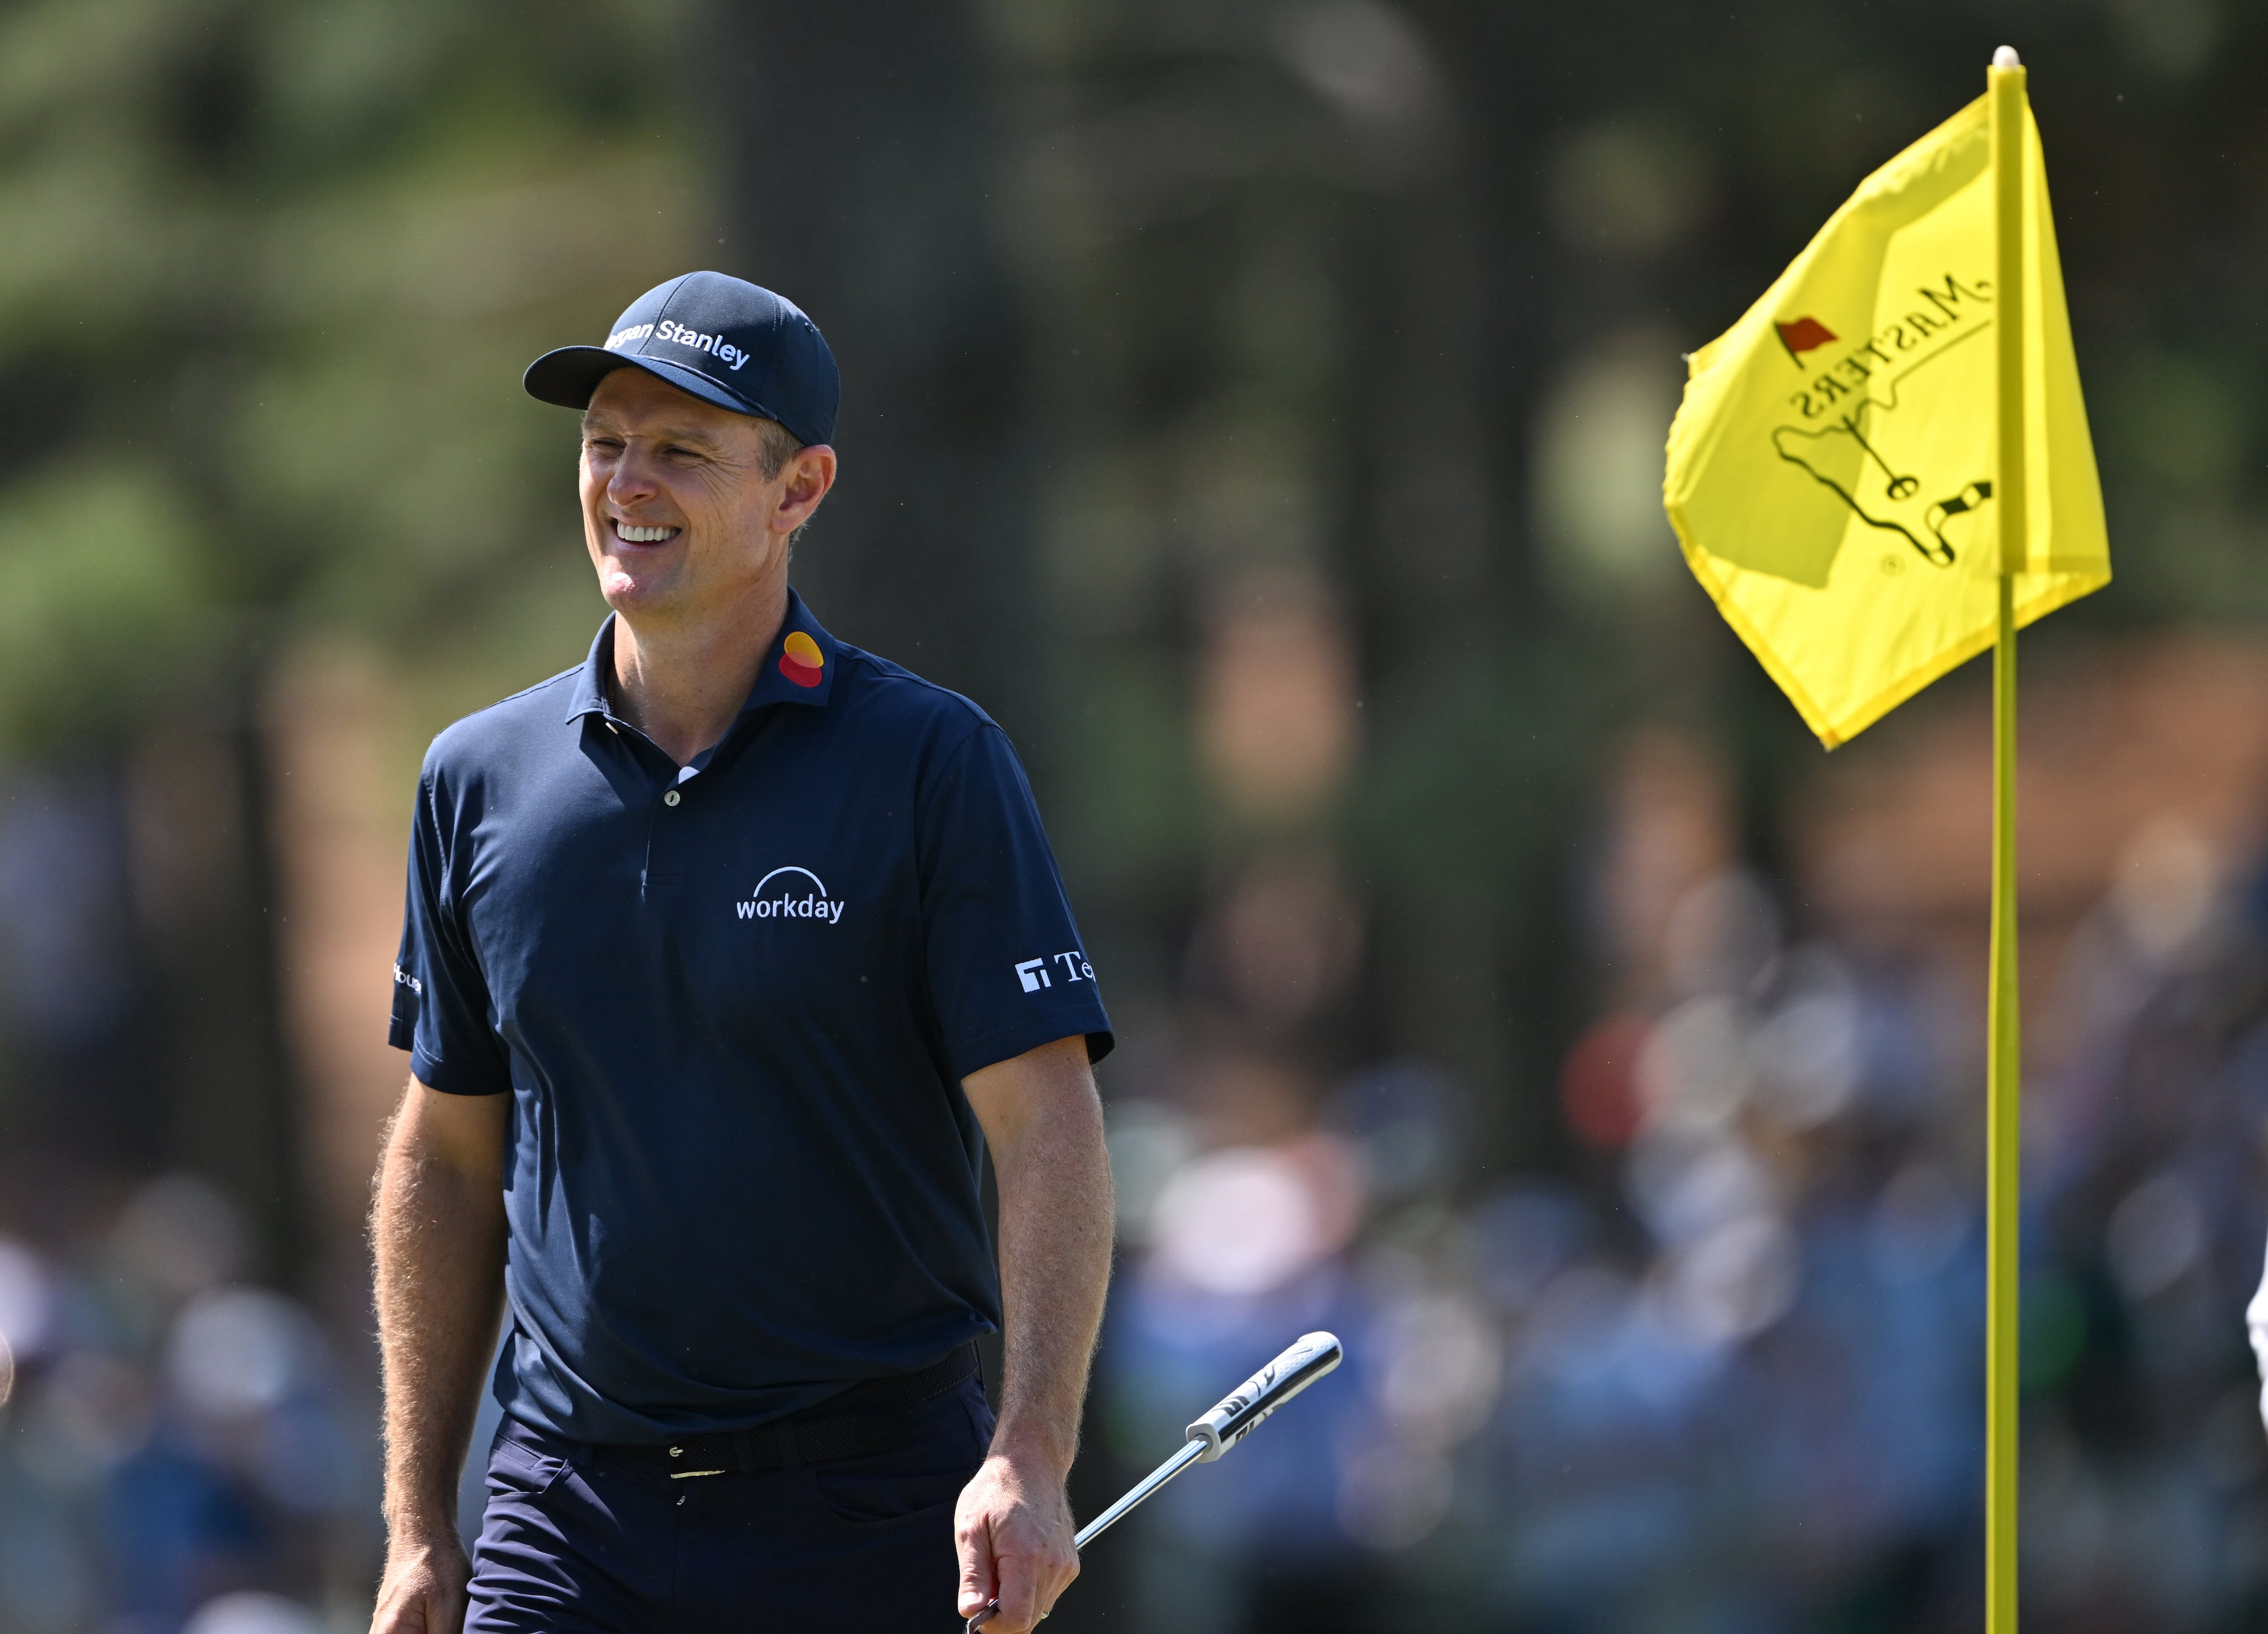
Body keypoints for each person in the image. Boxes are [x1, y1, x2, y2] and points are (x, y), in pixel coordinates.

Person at [367, 271, 1115, 1634]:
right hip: (565, 1510)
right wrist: (420, 1524)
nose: (627, 482)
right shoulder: (476, 778)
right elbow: (445, 1154)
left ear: (800, 488)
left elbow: (1047, 1117)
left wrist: (1030, 1452)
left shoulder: (929, 762)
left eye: (683, 448)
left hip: (867, 1502)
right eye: (605, 442)